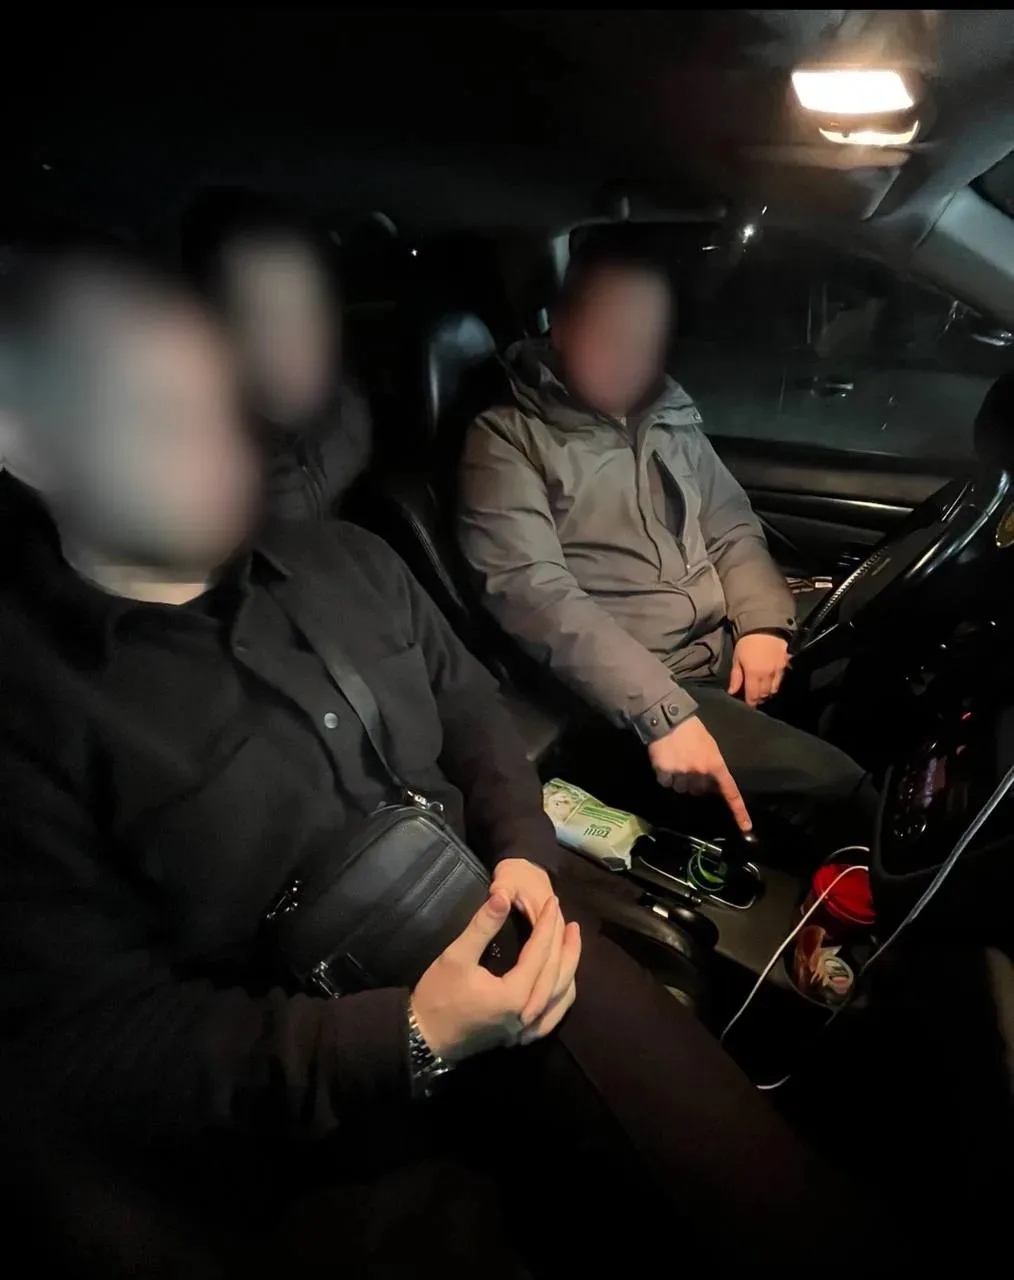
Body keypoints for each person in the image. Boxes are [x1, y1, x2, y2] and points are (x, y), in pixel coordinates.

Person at [0, 246, 880, 1275]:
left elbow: (471, 711)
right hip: (322, 1099)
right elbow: (90, 1042)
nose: (214, 443)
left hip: (515, 917)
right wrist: (411, 1034)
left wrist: (523, 850)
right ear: (26, 441)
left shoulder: (347, 561)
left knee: (768, 1200)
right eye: (152, 414)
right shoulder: (30, 710)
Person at [458, 239, 875, 840]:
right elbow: (534, 594)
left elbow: (730, 522)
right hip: (635, 688)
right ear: (562, 328)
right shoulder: (507, 438)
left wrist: (762, 623)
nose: (631, 358)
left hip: (721, 642)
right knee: (845, 787)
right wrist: (660, 710)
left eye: (646, 338)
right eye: (611, 335)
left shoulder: (664, 412)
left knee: (872, 663)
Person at [180, 187, 372, 521]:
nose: (299, 341)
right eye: (266, 319)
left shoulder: (348, 417)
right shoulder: (194, 473)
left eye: (309, 312)